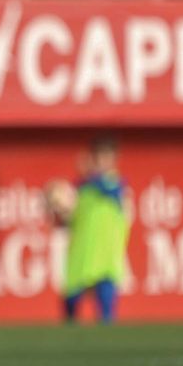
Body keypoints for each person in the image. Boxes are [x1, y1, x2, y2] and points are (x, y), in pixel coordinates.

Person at [51, 136, 131, 325]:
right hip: (82, 252)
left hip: (106, 253)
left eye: (107, 157)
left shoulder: (114, 184)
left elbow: (112, 192)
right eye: (99, 157)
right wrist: (57, 210)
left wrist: (89, 176)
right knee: (71, 302)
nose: (102, 162)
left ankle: (107, 343)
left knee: (105, 306)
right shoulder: (82, 189)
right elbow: (69, 220)